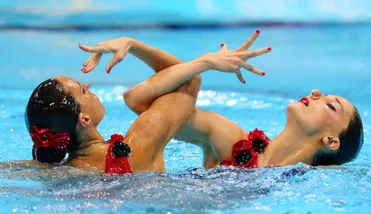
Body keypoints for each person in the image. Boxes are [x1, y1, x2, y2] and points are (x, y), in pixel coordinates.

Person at [81, 30, 364, 169]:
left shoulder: (316, 189)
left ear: (331, 141)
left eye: (330, 104)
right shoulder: (228, 138)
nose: (316, 93)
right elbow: (139, 101)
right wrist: (133, 45)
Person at [25, 30, 270, 174]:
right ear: (84, 120)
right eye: (82, 90)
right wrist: (206, 62)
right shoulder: (139, 142)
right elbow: (188, 80)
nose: (87, 85)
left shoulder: (60, 171)